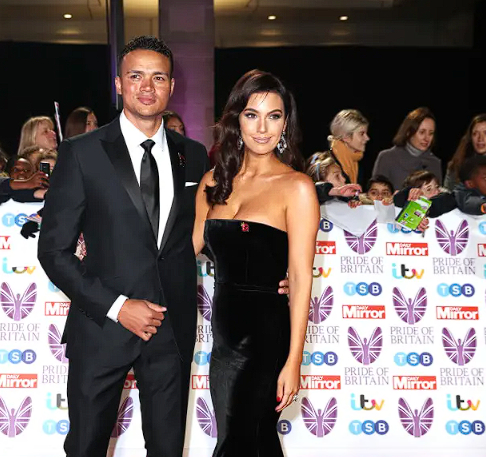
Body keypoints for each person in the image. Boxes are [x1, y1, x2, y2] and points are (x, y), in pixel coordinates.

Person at [38, 36, 212, 457]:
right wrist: (118, 307)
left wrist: (266, 274)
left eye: (158, 77)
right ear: (119, 83)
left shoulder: (193, 155)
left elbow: (204, 231)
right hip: (102, 326)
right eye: (136, 76)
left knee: (168, 449)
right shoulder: (82, 153)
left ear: (172, 86)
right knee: (86, 447)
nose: (147, 87)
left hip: (171, 329)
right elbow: (54, 251)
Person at [192, 69, 319, 457]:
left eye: (274, 116)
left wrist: (294, 361)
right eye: (252, 115)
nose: (263, 128)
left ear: (285, 123)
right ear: (237, 119)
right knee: (249, 439)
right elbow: (182, 253)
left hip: (266, 336)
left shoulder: (297, 187)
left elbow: (301, 278)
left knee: (240, 439)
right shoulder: (213, 182)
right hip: (224, 339)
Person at [372, 107, 442, 190]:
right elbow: (376, 193)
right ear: (409, 132)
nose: (426, 138)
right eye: (422, 132)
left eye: (431, 133)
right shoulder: (387, 157)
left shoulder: (435, 163)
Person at [326, 109, 370, 184]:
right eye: (362, 134)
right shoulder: (327, 164)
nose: (367, 138)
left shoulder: (357, 162)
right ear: (346, 137)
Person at [444, 113, 486, 190]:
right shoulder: (457, 164)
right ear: (470, 137)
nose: (480, 138)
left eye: (485, 133)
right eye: (475, 134)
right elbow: (448, 192)